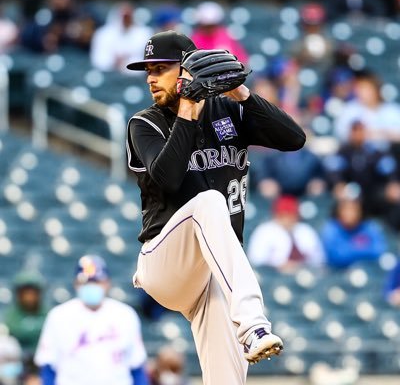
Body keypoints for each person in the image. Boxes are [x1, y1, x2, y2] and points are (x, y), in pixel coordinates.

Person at [125, 30, 306, 384]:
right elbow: (168, 180)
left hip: (215, 274)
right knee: (208, 202)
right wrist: (189, 110)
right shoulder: (144, 123)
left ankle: (251, 332)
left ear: (187, 71)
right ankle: (253, 322)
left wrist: (242, 94)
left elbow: (294, 139)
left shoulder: (229, 110)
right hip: (166, 262)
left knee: (228, 378)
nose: (150, 78)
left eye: (160, 68)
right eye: (148, 70)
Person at [34, 255, 148, 385]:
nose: (92, 286)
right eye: (86, 282)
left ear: (107, 283)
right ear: (76, 284)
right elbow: (48, 366)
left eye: (96, 281)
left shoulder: (126, 315)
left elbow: (136, 366)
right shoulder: (58, 316)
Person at [324, 120, 400, 230]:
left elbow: (388, 167)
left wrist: (392, 182)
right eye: (355, 131)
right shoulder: (344, 151)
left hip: (372, 191)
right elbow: (334, 170)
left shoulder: (374, 151)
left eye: (361, 130)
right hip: (350, 190)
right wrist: (338, 184)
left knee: (393, 195)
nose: (358, 134)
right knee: (344, 198)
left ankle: (388, 231)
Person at [247, 195, 325, 271]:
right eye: (283, 215)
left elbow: (319, 260)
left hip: (303, 272)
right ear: (276, 215)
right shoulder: (264, 231)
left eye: (291, 214)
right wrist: (278, 265)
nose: (288, 219)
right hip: (273, 275)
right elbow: (255, 260)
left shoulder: (306, 230)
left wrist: (299, 265)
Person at [320, 197, 387, 269]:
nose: (350, 214)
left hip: (368, 270)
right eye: (346, 210)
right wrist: (362, 248)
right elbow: (337, 257)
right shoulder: (331, 228)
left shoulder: (369, 226)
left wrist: (351, 250)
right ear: (339, 211)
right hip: (338, 272)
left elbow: (378, 251)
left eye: (354, 210)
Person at [90, 2, 153, 73]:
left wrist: (124, 63)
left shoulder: (145, 33)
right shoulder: (103, 33)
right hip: (107, 75)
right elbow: (98, 60)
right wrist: (114, 61)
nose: (125, 19)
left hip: (134, 77)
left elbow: (145, 61)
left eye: (128, 16)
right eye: (124, 16)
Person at [4, 271, 48, 356]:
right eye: (26, 293)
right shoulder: (9, 317)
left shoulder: (49, 316)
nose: (29, 297)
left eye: (33, 293)